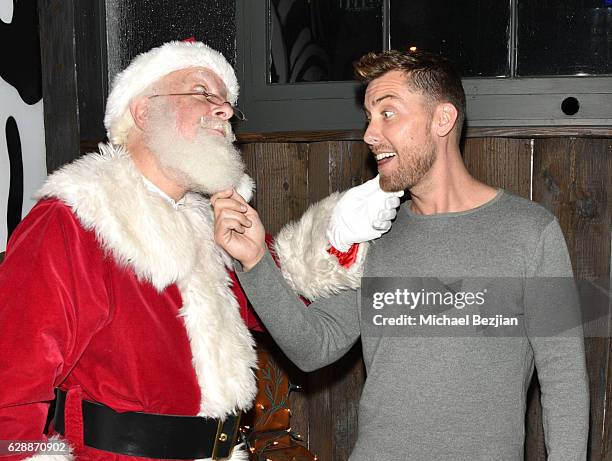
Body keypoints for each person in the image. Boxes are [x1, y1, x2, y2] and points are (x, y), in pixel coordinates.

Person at [0, 40, 381, 461]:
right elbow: (8, 398)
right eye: (203, 93)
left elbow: (288, 300)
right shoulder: (74, 219)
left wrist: (341, 234)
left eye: (228, 103)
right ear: (143, 111)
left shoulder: (207, 222)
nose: (225, 111)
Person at [212, 50, 590, 460]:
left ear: (441, 119)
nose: (370, 134)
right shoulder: (369, 233)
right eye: (369, 118)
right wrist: (254, 261)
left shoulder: (530, 232)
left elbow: (563, 376)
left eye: (387, 114)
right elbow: (314, 347)